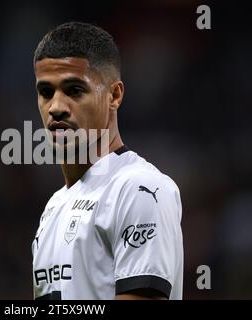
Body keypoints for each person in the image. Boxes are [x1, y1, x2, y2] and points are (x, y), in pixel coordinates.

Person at [31, 22, 183, 300]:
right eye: (46, 92)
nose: (56, 107)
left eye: (74, 90)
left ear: (114, 95)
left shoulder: (139, 188)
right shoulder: (53, 208)